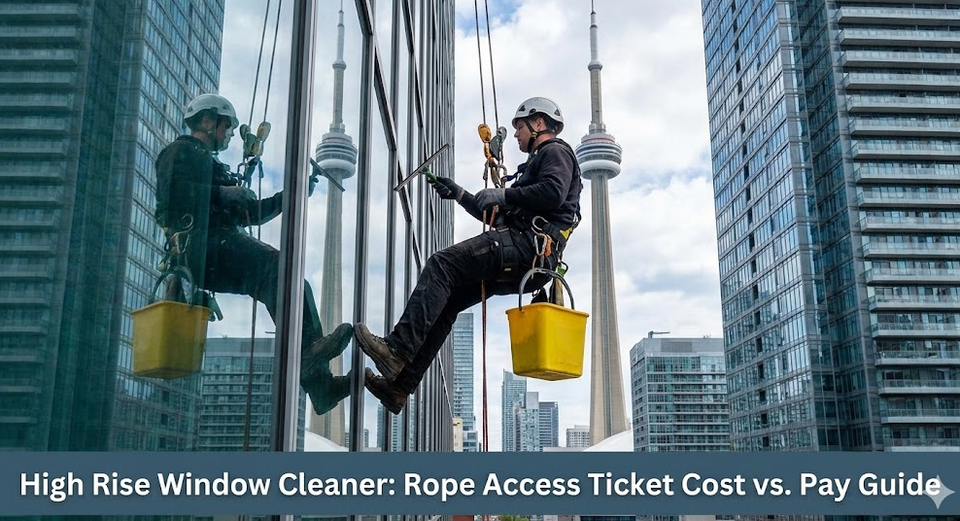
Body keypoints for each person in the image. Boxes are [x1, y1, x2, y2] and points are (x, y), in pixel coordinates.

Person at [356, 97, 582, 413]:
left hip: (526, 247)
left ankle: (397, 349)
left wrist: (503, 194)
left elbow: (553, 192)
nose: (517, 135)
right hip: (527, 257)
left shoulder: (555, 151)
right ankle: (399, 388)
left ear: (539, 123)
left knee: (443, 264)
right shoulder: (534, 168)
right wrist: (459, 194)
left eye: (519, 127)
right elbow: (497, 212)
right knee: (449, 301)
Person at [154, 93, 352, 414]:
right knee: (278, 268)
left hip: (216, 245)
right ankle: (309, 353)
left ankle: (321, 387)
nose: (230, 134)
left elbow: (251, 214)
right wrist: (222, 193)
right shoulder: (179, 153)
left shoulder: (210, 164)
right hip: (200, 245)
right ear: (207, 121)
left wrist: (291, 196)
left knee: (289, 279)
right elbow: (173, 197)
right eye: (227, 126)